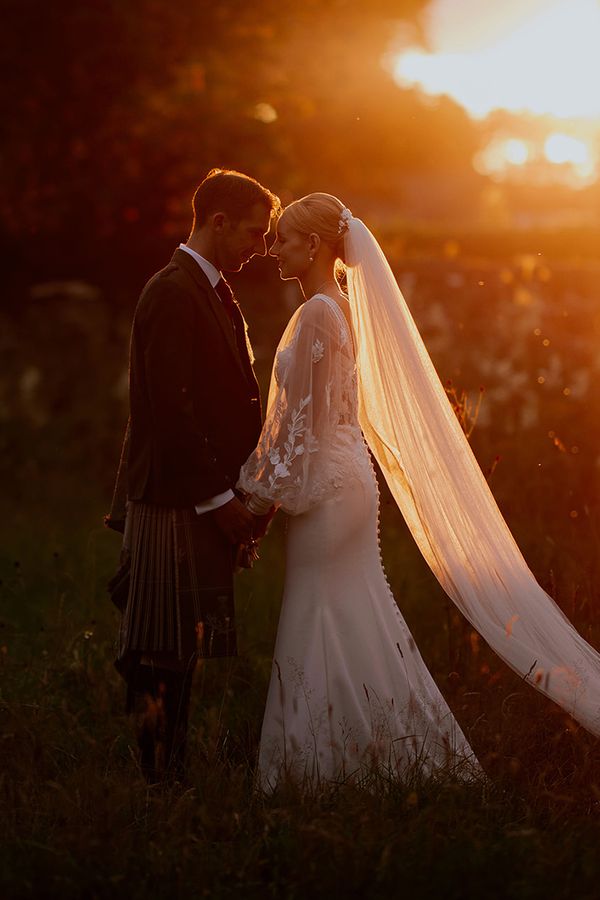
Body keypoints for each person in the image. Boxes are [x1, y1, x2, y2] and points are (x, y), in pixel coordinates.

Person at [237, 193, 600, 791]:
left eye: (285, 239)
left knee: (319, 606)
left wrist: (252, 504)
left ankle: (309, 769)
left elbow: (298, 427)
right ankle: (380, 750)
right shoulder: (336, 310)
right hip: (344, 481)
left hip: (328, 491)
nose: (274, 250)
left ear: (317, 246)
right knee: (355, 609)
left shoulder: (319, 315)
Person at [106, 168, 280, 781]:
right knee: (159, 650)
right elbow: (168, 408)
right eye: (253, 234)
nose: (259, 247)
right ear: (218, 221)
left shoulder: (208, 289)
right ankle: (157, 787)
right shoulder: (173, 290)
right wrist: (217, 499)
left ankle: (169, 777)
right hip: (174, 500)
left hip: (199, 498)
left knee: (183, 648)